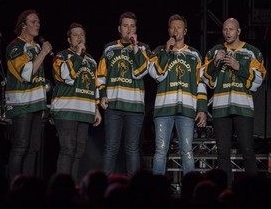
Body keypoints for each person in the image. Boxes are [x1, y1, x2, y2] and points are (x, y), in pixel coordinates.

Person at [200, 17, 266, 188]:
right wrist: (215, 63)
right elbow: (205, 78)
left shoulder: (252, 52)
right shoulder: (215, 51)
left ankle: (252, 190)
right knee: (222, 152)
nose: (227, 33)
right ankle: (226, 190)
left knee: (248, 150)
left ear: (238, 31)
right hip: (221, 108)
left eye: (231, 29)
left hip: (243, 108)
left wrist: (239, 67)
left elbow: (259, 79)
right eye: (225, 29)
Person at [148, 14, 208, 176]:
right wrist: (167, 51)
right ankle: (156, 190)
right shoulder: (159, 51)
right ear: (168, 30)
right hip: (163, 109)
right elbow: (156, 74)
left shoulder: (194, 54)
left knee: (187, 151)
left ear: (185, 30)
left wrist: (202, 108)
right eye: (172, 27)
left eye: (179, 27)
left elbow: (200, 83)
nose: (175, 30)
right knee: (161, 150)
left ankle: (190, 190)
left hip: (187, 109)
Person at [97, 11, 152, 177]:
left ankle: (133, 189)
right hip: (113, 105)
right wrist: (102, 94)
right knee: (111, 148)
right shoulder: (109, 48)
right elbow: (100, 75)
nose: (129, 29)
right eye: (126, 26)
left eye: (132, 26)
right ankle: (105, 188)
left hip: (134, 107)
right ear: (119, 29)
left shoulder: (143, 48)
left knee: (132, 149)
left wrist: (135, 47)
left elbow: (141, 71)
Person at [50, 22, 102, 184]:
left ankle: (72, 188)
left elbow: (95, 85)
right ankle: (61, 189)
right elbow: (66, 76)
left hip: (84, 110)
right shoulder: (62, 56)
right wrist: (78, 56)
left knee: (78, 152)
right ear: (68, 40)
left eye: (82, 35)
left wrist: (96, 108)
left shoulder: (92, 60)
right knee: (67, 149)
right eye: (75, 35)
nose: (79, 37)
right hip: (66, 110)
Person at [5, 9, 53, 181]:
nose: (37, 25)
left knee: (33, 148)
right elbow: (27, 74)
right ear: (23, 26)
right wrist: (43, 53)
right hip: (21, 105)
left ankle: (27, 188)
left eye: (38, 22)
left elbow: (39, 80)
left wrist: (42, 106)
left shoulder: (37, 47)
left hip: (35, 106)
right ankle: (13, 187)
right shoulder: (15, 47)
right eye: (33, 22)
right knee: (20, 146)